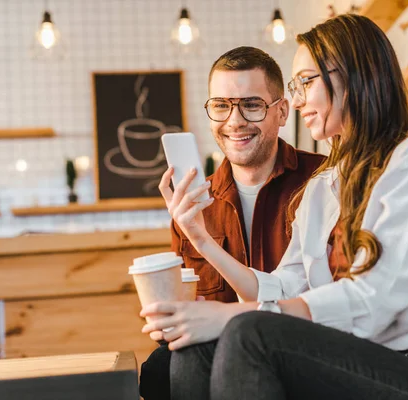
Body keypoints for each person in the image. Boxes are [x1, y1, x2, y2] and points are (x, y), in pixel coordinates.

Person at [142, 14, 408, 400]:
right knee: (193, 347)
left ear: (351, 78)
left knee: (249, 333)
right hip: (374, 358)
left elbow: (374, 301)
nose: (297, 100)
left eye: (305, 82)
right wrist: (201, 238)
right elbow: (281, 286)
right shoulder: (323, 185)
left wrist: (228, 315)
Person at [139, 46, 325, 399]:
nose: (234, 121)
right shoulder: (193, 205)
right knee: (159, 367)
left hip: (300, 338)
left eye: (251, 105)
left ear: (282, 111)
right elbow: (195, 304)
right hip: (219, 345)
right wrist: (169, 314)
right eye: (221, 106)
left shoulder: (322, 180)